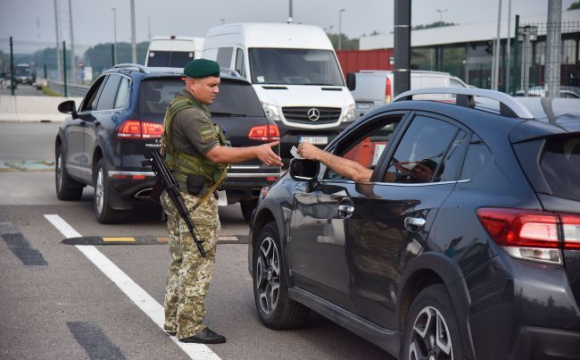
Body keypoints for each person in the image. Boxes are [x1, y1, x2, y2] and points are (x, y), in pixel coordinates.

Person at [160, 58, 283, 344]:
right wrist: (256, 151)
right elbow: (215, 154)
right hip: (193, 198)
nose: (216, 91)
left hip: (179, 192)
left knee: (181, 259)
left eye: (218, 85)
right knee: (198, 259)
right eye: (211, 85)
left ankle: (173, 319)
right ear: (191, 84)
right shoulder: (192, 114)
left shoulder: (180, 105)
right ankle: (190, 327)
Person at [296, 142, 439, 183]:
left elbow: (359, 174)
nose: (418, 170)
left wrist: (318, 153)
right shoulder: (402, 179)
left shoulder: (426, 187)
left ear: (435, 176)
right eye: (418, 167)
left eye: (424, 170)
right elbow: (369, 173)